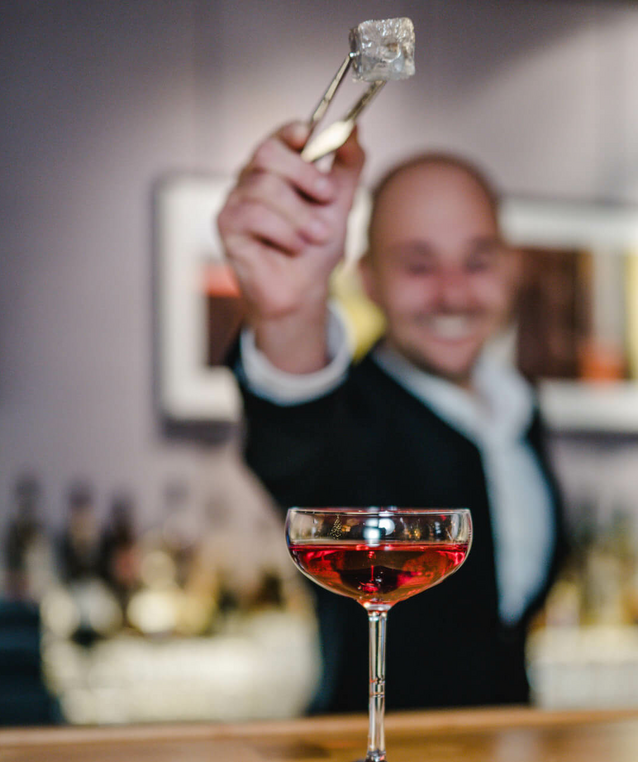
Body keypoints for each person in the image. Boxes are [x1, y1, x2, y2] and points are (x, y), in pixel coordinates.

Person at [217, 122, 565, 713]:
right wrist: (287, 317)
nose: (453, 294)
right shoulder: (353, 417)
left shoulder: (519, 406)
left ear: (509, 269)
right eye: (418, 265)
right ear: (367, 280)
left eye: (477, 261)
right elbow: (293, 440)